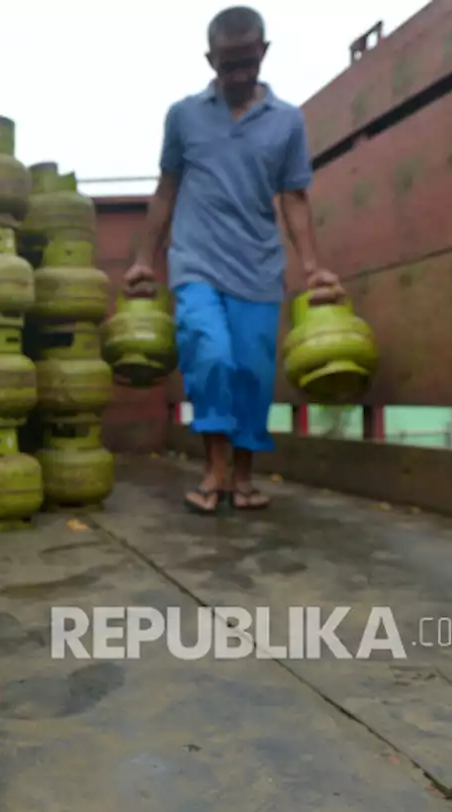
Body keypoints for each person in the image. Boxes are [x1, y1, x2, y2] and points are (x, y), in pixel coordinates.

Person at [122, 5, 343, 515]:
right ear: (210, 59)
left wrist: (312, 267)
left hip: (259, 269)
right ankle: (214, 468)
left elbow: (294, 198)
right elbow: (167, 189)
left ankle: (242, 477)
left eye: (248, 61)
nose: (240, 74)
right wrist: (143, 260)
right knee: (210, 354)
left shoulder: (287, 122)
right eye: (228, 64)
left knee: (251, 373)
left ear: (263, 53)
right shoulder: (184, 115)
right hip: (196, 261)